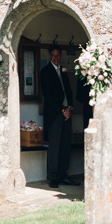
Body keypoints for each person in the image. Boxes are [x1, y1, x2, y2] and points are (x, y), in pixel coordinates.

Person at [40, 45, 76, 188]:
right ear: (49, 55)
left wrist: (69, 108)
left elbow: (69, 91)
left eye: (58, 55)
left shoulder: (64, 71)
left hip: (66, 113)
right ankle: (53, 177)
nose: (56, 57)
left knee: (65, 146)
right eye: (53, 55)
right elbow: (48, 96)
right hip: (55, 115)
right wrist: (62, 109)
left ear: (61, 56)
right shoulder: (45, 72)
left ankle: (63, 175)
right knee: (54, 146)